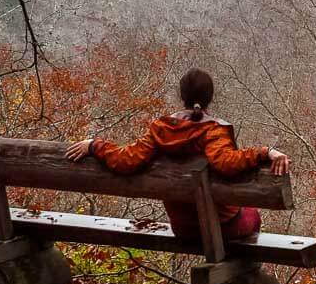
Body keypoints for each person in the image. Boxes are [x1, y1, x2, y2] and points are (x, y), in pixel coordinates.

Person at [65, 68, 290, 241]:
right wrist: (265, 152)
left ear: (182, 96)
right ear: (210, 97)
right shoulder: (213, 130)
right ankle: (242, 279)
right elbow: (226, 163)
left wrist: (94, 145)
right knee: (252, 215)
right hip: (220, 226)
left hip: (182, 227)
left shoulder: (161, 128)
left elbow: (126, 160)